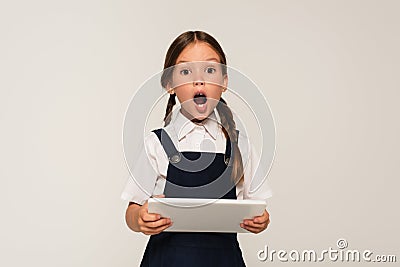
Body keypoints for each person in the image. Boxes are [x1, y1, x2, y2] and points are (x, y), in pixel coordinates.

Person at [121, 30, 272, 267]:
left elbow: (259, 210)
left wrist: (260, 221)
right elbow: (132, 212)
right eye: (185, 71)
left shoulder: (239, 145)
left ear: (224, 83)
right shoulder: (157, 144)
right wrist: (140, 219)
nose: (198, 80)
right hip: (167, 260)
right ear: (169, 84)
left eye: (210, 70)